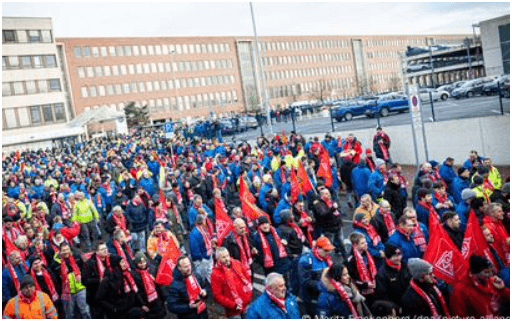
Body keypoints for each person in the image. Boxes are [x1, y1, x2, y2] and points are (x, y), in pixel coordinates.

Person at [51, 242, 91, 319]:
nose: (66, 252)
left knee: (85, 310)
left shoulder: (76, 256)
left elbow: (84, 269)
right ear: (60, 251)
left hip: (80, 287)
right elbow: (56, 279)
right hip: (67, 292)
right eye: (64, 250)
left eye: (67, 249)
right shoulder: (55, 263)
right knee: (70, 314)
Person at [296, 236, 335, 315]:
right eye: (326, 250)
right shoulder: (305, 261)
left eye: (329, 250)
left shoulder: (328, 259)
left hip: (325, 295)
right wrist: (324, 286)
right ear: (318, 248)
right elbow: (305, 282)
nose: (328, 253)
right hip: (311, 297)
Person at [210, 248, 253, 318]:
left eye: (227, 255)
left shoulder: (237, 264)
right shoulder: (215, 274)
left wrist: (249, 295)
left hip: (246, 303)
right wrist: (233, 305)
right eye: (223, 257)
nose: (227, 259)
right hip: (233, 310)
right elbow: (217, 296)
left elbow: (247, 278)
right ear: (218, 259)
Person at [82, 241, 114, 319]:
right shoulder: (89, 263)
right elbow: (84, 281)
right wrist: (99, 280)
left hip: (109, 296)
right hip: (95, 297)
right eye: (102, 249)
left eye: (105, 248)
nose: (105, 250)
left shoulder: (110, 260)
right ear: (97, 252)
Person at [374, 244, 411, 310]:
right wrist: (394, 308)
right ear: (388, 257)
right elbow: (382, 296)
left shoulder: (405, 266)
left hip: (408, 304)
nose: (398, 258)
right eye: (394, 256)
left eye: (399, 255)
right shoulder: (382, 274)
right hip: (395, 307)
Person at [131, 252, 167, 319]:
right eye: (140, 263)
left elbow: (159, 284)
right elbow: (137, 292)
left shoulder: (152, 269)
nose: (143, 264)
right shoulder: (135, 275)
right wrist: (142, 304)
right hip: (147, 303)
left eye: (144, 262)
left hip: (157, 300)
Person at [347, 232, 377, 306]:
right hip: (362, 290)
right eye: (362, 243)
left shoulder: (366, 253)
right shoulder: (351, 259)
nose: (366, 244)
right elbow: (352, 278)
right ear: (355, 245)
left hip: (372, 286)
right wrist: (365, 285)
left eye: (365, 242)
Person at [313, 188, 344, 255]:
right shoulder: (319, 204)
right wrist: (333, 208)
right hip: (329, 229)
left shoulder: (331, 201)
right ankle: (329, 261)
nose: (329, 194)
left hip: (338, 226)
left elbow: (338, 211)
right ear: (322, 195)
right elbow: (323, 214)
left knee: (342, 245)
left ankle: (346, 259)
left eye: (329, 193)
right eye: (326, 193)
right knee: (329, 246)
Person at [483, 203, 510, 267]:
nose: (503, 213)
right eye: (499, 211)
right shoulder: (488, 227)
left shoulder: (498, 221)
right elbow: (497, 244)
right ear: (492, 213)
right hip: (501, 261)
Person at [189, 214, 215, 282]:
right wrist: (201, 258)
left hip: (208, 255)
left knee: (210, 274)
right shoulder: (194, 233)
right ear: (202, 221)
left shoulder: (203, 229)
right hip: (202, 259)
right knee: (202, 277)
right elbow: (194, 248)